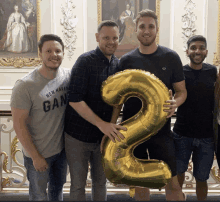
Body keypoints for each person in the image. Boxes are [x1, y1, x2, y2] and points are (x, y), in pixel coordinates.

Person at [117, 9, 187, 201]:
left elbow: (181, 92)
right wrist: (110, 127)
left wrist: (175, 103)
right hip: (133, 134)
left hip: (161, 132)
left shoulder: (171, 57)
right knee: (140, 184)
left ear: (157, 29)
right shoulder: (126, 60)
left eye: (150, 26)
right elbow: (118, 98)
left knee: (172, 183)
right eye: (142, 27)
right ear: (136, 29)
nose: (146, 31)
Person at [64, 20, 127, 201]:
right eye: (106, 37)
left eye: (115, 38)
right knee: (78, 185)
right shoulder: (85, 61)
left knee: (101, 183)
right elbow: (74, 99)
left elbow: (118, 101)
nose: (111, 41)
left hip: (103, 138)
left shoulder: (118, 64)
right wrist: (102, 125)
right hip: (78, 137)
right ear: (97, 37)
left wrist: (110, 128)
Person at [10, 34, 70, 201]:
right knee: (38, 196)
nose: (54, 55)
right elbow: (18, 124)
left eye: (58, 51)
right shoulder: (25, 85)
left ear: (63, 53)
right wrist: (35, 156)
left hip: (61, 152)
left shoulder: (68, 76)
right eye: (48, 51)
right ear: (40, 54)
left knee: (57, 192)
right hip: (38, 154)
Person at [173, 35, 217, 201]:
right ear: (187, 51)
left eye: (200, 48)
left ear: (206, 51)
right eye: (193, 48)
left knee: (202, 179)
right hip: (182, 134)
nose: (197, 51)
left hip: (206, 137)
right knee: (178, 176)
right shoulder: (180, 72)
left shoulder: (212, 71)